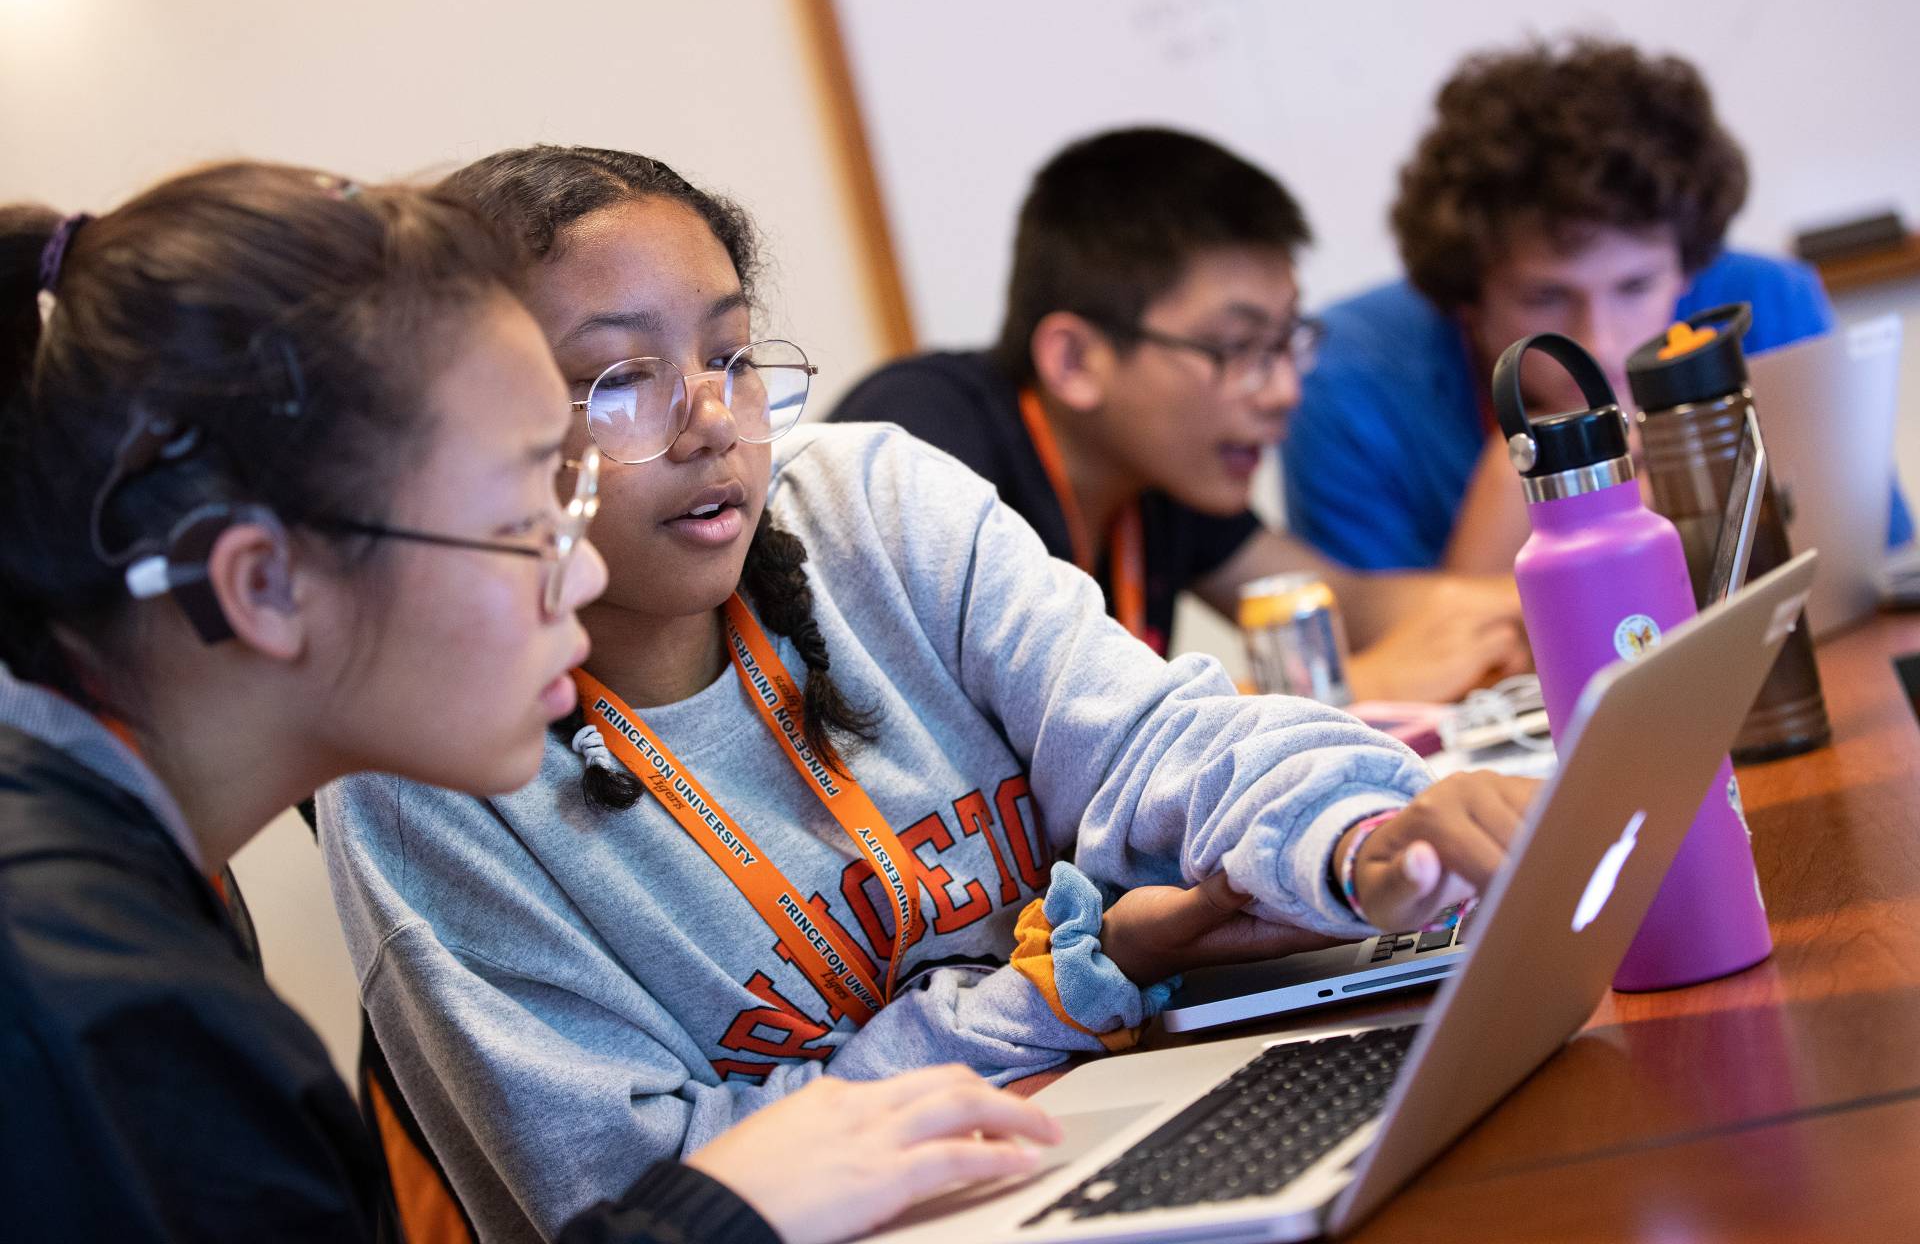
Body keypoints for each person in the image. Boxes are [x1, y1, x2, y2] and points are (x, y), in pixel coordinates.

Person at [317, 144, 1539, 1243]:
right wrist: (1054, 991)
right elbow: (675, 1199)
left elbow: (1157, 737)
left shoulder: (870, 505)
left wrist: (1364, 837)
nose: (710, 423)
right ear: (484, 434)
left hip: (1106, 1117)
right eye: (620, 378)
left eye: (732, 356)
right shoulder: (429, 765)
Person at [0, 163, 1062, 1244]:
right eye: (522, 522)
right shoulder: (95, 1012)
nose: (583, 576)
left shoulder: (124, 883)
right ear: (264, 584)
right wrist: (714, 1212)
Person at [832, 127, 1527, 704]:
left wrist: (1542, 599)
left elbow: (1341, 606)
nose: (1284, 389)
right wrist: (1350, 688)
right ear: (1075, 360)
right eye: (1237, 347)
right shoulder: (924, 446)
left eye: (1286, 342)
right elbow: (993, 760)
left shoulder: (1156, 475)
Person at [1285, 36, 1915, 575]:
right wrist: (1508, 510)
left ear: (1688, 269)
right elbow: (1373, 692)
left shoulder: (1771, 307)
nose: (1602, 345)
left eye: (1636, 287)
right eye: (1545, 298)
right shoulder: (1345, 385)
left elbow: (1874, 573)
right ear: (1467, 302)